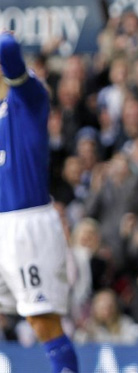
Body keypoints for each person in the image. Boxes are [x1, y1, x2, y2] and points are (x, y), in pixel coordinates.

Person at [0, 32, 79, 372]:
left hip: (27, 225)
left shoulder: (28, 99)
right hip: (4, 226)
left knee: (42, 322)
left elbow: (8, 48)